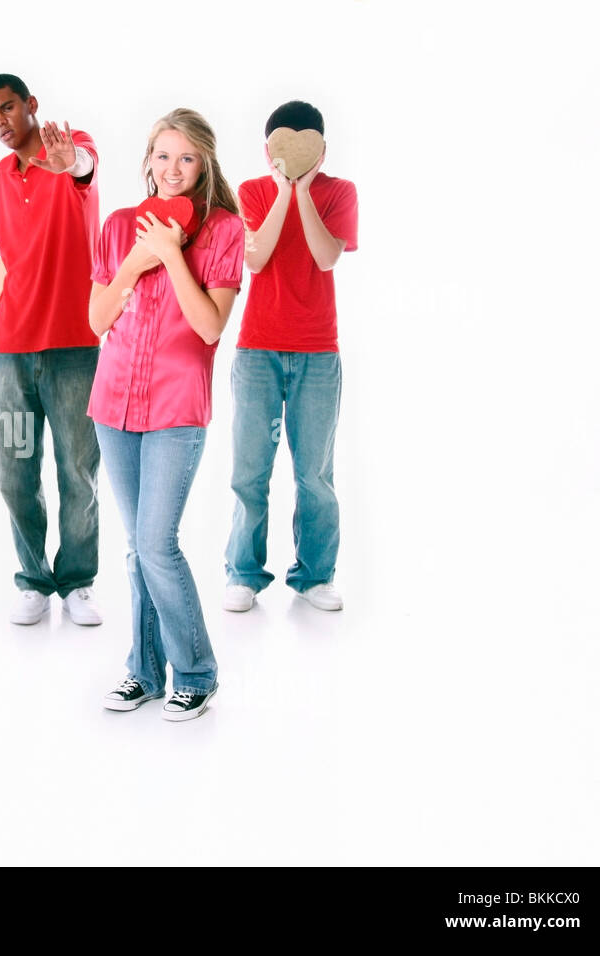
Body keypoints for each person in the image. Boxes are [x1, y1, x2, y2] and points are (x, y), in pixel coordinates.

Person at [89, 109, 243, 720]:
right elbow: (98, 320)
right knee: (136, 547)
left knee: (157, 542)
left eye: (186, 158)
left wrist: (173, 254)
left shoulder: (225, 228)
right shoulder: (118, 224)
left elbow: (209, 326)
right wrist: (138, 258)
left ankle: (197, 671)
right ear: (147, 159)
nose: (172, 169)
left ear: (203, 163)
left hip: (178, 407)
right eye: (162, 156)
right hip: (113, 402)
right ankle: (144, 670)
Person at [0, 73, 103, 627]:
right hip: (10, 352)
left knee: (77, 469)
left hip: (75, 346)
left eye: (7, 108)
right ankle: (33, 579)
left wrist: (69, 163)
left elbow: (83, 166)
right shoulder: (1, 175)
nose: (0, 122)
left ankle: (78, 581)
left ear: (31, 105)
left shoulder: (71, 146)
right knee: (15, 471)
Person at [223, 101, 358, 613]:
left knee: (314, 474)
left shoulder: (339, 192)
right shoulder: (253, 191)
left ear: (323, 149)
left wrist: (304, 190)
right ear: (267, 150)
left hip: (318, 352)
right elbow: (255, 257)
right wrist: (284, 188)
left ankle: (316, 574)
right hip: (258, 348)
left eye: (308, 145)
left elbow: (326, 257)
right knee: (250, 469)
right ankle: (243, 573)